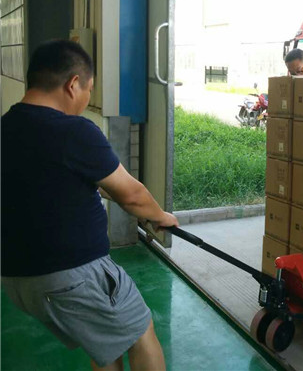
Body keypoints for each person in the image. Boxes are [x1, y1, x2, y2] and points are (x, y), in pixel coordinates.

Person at [1, 40, 179, 371]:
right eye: (89, 90)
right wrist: (160, 216)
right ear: (73, 84)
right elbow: (132, 194)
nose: (86, 100)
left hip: (17, 278)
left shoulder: (6, 128)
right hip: (74, 273)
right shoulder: (73, 131)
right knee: (141, 333)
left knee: (105, 345)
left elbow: (59, 184)